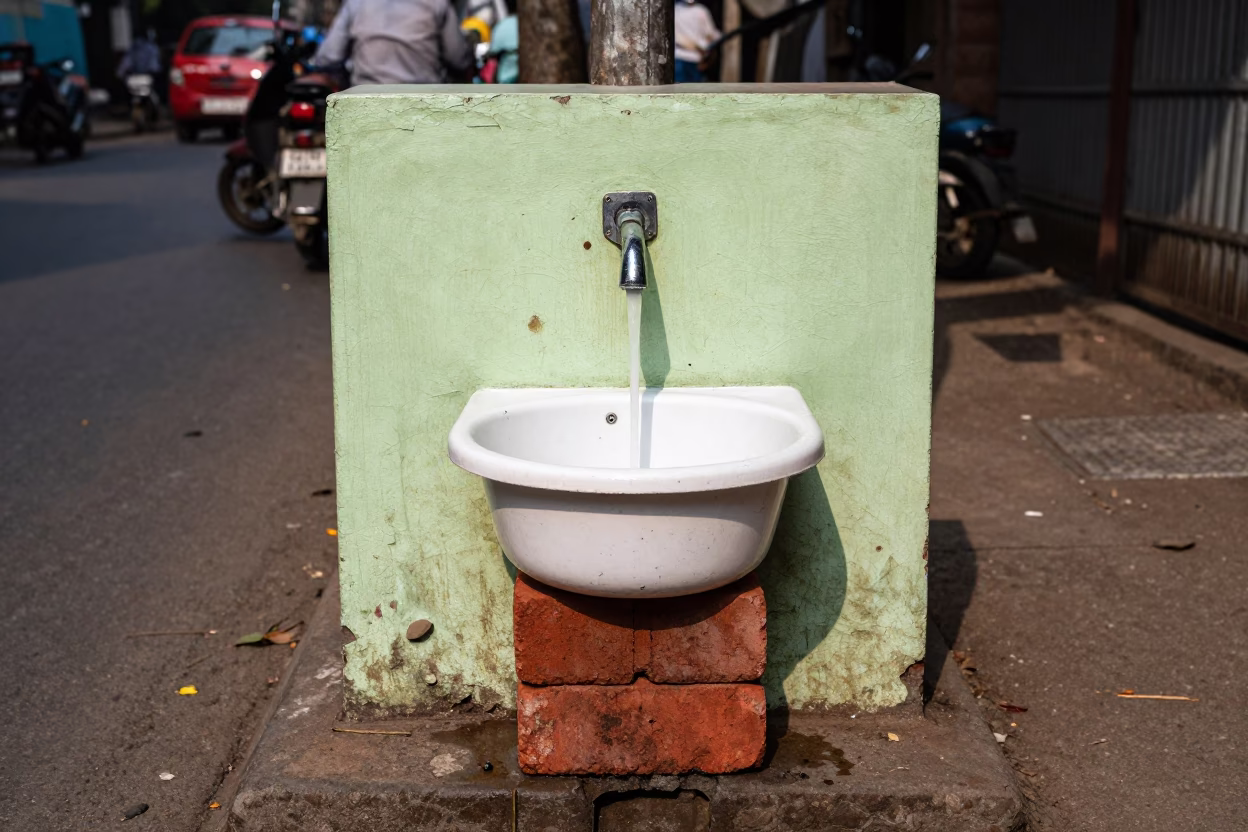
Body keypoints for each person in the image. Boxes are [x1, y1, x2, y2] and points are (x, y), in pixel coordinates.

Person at [314, 0, 473, 86]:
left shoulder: (355, 3)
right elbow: (458, 59)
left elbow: (328, 56)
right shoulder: (438, 3)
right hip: (423, 104)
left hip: (366, 102)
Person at [674, 0, 720, 83]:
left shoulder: (701, 11)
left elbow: (710, 35)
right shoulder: (676, 9)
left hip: (694, 58)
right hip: (683, 57)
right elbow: (711, 35)